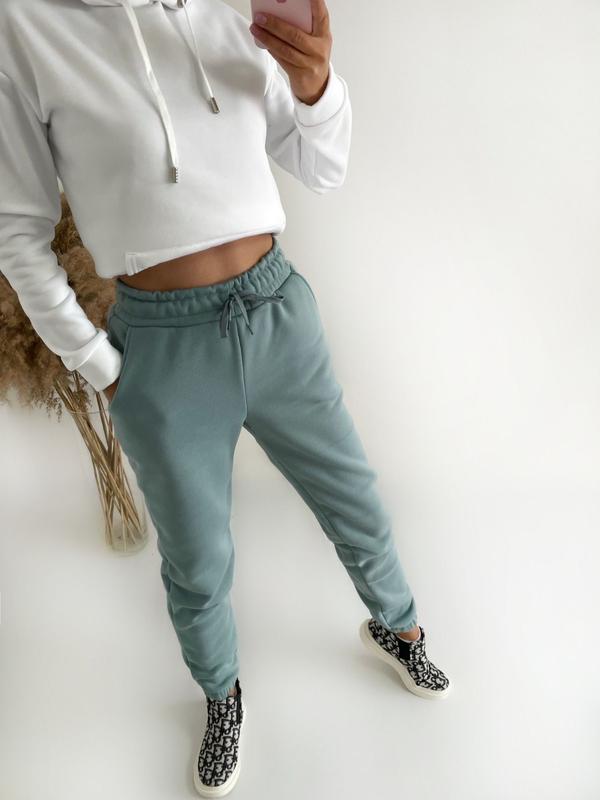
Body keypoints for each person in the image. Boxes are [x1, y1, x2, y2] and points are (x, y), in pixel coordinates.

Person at [0, 0, 450, 795]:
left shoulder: (223, 10)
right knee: (198, 560)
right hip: (161, 348)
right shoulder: (28, 26)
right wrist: (99, 365)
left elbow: (324, 166)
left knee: (354, 499)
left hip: (276, 313)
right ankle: (221, 696)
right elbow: (18, 230)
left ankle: (401, 628)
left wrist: (317, 89)